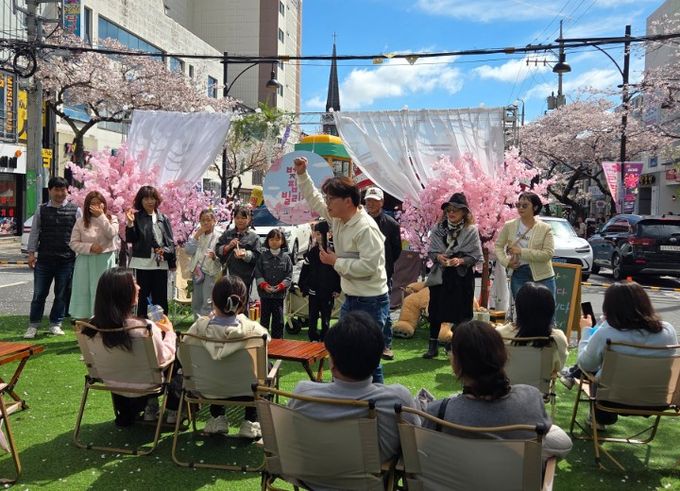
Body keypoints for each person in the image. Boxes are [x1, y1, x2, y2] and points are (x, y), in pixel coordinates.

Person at [294, 156, 389, 383]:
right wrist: (302, 174)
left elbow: (369, 267)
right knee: (343, 352)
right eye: (327, 198)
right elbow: (314, 199)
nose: (326, 203)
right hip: (352, 298)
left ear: (348, 201)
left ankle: (375, 402)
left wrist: (335, 261)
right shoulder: (338, 218)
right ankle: (343, 396)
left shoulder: (366, 228)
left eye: (331, 198)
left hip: (371, 301)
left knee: (368, 359)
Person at [425, 320, 572, 460]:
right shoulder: (531, 398)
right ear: (504, 355)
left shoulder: (438, 413)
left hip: (456, 475)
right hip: (516, 475)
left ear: (456, 363)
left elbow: (425, 454)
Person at [288, 311, 420, 465]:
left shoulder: (303, 394)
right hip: (371, 477)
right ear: (377, 360)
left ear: (332, 363)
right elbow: (415, 443)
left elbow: (287, 437)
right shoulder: (397, 399)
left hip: (312, 474)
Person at [80, 267, 178, 427]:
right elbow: (163, 359)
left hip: (111, 382)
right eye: (134, 284)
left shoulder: (90, 328)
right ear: (124, 293)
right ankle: (174, 409)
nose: (139, 287)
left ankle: (136, 410)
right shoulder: (144, 329)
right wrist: (170, 333)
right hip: (147, 384)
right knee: (177, 353)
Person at [575, 281, 677, 429]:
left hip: (612, 400)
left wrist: (586, 330)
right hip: (657, 400)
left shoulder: (606, 333)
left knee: (597, 373)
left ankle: (598, 420)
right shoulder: (668, 331)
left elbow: (585, 365)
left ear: (609, 307)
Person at [184, 275, 269, 438]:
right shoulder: (255, 332)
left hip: (207, 389)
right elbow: (266, 341)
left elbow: (183, 356)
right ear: (242, 302)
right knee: (265, 367)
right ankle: (251, 421)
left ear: (213, 300)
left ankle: (217, 418)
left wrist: (208, 320)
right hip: (247, 391)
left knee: (215, 368)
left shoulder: (197, 329)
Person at [423, 193, 482, 359]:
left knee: (462, 313)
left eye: (455, 210)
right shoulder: (438, 228)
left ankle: (455, 345)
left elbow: (475, 256)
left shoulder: (471, 230)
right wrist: (438, 257)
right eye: (449, 210)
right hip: (441, 275)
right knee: (435, 310)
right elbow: (432, 251)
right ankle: (432, 346)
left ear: (464, 212)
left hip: (462, 277)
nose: (451, 213)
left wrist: (461, 260)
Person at [24, 176, 81, 339]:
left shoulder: (76, 210)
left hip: (67, 260)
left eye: (63, 190)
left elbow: (81, 234)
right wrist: (31, 254)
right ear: (49, 191)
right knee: (39, 294)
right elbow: (34, 233)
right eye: (56, 189)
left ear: (67, 191)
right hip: (44, 260)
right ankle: (33, 325)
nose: (60, 193)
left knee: (61, 294)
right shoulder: (41, 209)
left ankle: (56, 323)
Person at [125, 185, 176, 319]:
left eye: (152, 198)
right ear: (140, 201)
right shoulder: (136, 217)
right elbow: (131, 239)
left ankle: (162, 325)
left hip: (161, 262)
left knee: (161, 297)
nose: (150, 201)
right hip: (143, 263)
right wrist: (130, 224)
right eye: (146, 199)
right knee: (143, 297)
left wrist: (170, 259)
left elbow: (170, 242)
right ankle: (142, 325)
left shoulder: (163, 218)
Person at [495, 191, 555, 301]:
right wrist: (506, 262)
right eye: (518, 205)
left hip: (543, 275)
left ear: (535, 207)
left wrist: (521, 251)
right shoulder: (510, 225)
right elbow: (498, 246)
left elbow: (548, 254)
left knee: (546, 309)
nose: (520, 208)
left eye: (525, 205)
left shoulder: (545, 228)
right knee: (522, 309)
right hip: (519, 272)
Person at [364, 186, 402, 361]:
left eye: (374, 200)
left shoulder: (391, 224)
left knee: (383, 309)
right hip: (362, 272)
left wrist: (385, 265)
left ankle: (385, 344)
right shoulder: (360, 221)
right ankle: (364, 342)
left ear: (382, 202)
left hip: (384, 273)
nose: (370, 203)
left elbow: (396, 250)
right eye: (368, 200)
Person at [68, 191, 119, 320]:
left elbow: (111, 233)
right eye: (93, 203)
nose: (96, 206)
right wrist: (89, 247)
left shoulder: (112, 219)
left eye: (99, 203)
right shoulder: (81, 222)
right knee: (84, 290)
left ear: (104, 204)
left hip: (104, 260)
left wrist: (101, 217)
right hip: (85, 261)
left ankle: (104, 319)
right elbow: (73, 243)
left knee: (103, 290)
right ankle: (83, 320)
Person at [496, 282, 568, 372]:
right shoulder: (557, 338)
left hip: (507, 380)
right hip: (541, 381)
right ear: (551, 310)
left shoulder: (500, 334)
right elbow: (559, 367)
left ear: (519, 309)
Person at [298, 221, 341, 342]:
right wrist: (304, 287)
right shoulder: (312, 252)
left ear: (330, 234)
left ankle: (325, 339)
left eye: (322, 233)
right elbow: (305, 271)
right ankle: (312, 338)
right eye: (317, 234)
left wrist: (337, 288)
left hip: (328, 291)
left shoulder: (333, 251)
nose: (320, 236)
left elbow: (338, 272)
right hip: (314, 291)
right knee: (313, 316)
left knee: (326, 318)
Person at [215, 205, 261, 304]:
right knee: (227, 303)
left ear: (249, 219)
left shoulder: (254, 237)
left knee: (242, 303)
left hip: (245, 278)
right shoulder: (227, 234)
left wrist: (245, 255)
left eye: (243, 218)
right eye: (237, 218)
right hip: (228, 276)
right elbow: (217, 250)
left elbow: (258, 257)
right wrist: (228, 247)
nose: (240, 220)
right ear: (234, 219)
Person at [253, 228, 293, 339]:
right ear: (267, 241)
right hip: (265, 295)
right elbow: (258, 273)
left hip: (279, 296)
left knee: (278, 321)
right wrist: (264, 285)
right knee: (264, 321)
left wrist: (281, 286)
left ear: (282, 241)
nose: (274, 242)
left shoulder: (286, 258)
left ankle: (278, 342)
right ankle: (263, 342)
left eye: (277, 239)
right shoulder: (262, 257)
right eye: (271, 239)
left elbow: (289, 276)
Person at [183, 209, 222, 318]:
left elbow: (222, 256)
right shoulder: (197, 235)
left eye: (208, 220)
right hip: (198, 272)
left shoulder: (219, 236)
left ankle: (207, 324)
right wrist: (197, 235)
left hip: (211, 272)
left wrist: (214, 257)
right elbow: (188, 251)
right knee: (196, 301)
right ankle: (198, 324)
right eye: (202, 220)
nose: (205, 223)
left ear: (214, 221)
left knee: (207, 302)